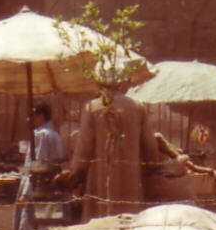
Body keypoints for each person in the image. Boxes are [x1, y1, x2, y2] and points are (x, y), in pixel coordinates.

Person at [58, 87, 157, 221]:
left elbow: (83, 151)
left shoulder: (92, 108)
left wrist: (75, 178)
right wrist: (149, 168)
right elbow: (151, 150)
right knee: (129, 228)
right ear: (122, 83)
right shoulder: (137, 107)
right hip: (131, 185)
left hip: (99, 187)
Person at [13, 102, 66, 230]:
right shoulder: (54, 135)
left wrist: (25, 193)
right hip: (51, 191)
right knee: (46, 229)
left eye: (33, 116)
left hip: (37, 191)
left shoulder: (41, 135)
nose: (31, 119)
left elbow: (37, 166)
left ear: (41, 116)